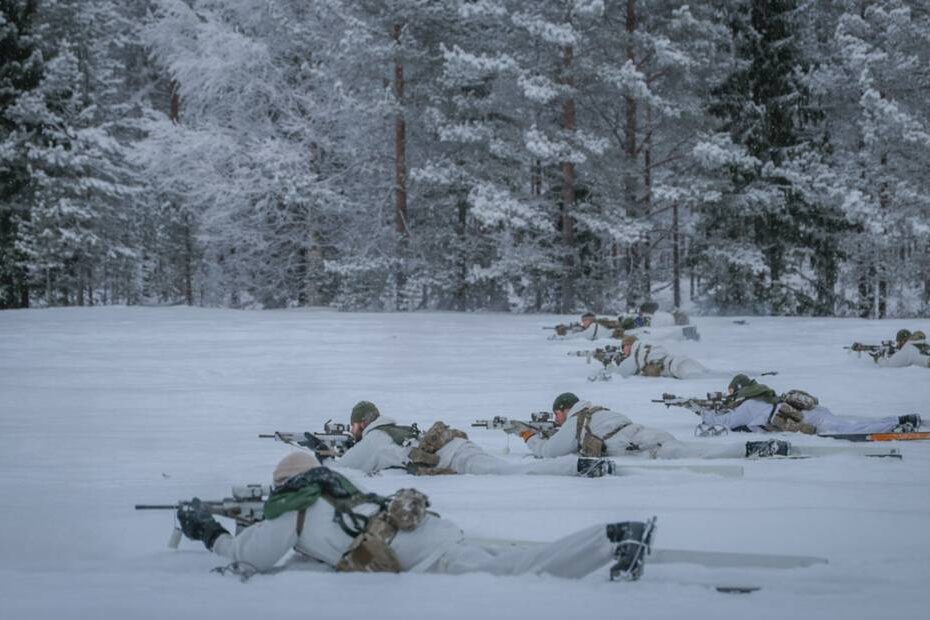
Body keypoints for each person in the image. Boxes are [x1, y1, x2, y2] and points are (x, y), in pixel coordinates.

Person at [174, 452, 655, 581]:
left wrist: (209, 533)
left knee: (515, 571)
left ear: (284, 485)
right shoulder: (337, 487)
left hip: (420, 553)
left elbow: (251, 558)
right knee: (501, 559)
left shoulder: (292, 509)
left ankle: (613, 539)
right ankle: (611, 539)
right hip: (429, 532)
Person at [505, 392, 788, 459]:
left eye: (556, 415)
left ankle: (754, 450)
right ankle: (756, 447)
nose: (555, 420)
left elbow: (549, 452)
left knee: (700, 455)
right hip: (645, 434)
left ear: (564, 410)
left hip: (641, 445)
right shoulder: (595, 411)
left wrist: (527, 434)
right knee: (694, 449)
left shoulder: (575, 421)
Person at [338, 400, 583, 476]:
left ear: (362, 423)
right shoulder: (392, 429)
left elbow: (344, 468)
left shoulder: (374, 438)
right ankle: (577, 466)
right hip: (457, 446)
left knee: (513, 472)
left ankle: (578, 466)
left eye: (353, 426)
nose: (352, 431)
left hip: (456, 457)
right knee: (510, 470)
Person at [696, 375, 922, 435]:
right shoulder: (763, 396)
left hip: (810, 418)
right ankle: (898, 421)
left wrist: (701, 412)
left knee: (849, 430)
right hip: (812, 413)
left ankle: (897, 425)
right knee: (850, 425)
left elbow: (727, 422)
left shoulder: (749, 405)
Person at [611, 336, 708, 379]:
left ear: (629, 344)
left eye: (623, 347)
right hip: (680, 361)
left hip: (677, 367)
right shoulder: (645, 346)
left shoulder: (637, 351)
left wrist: (613, 365)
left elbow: (622, 373)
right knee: (708, 376)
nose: (623, 350)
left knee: (699, 378)